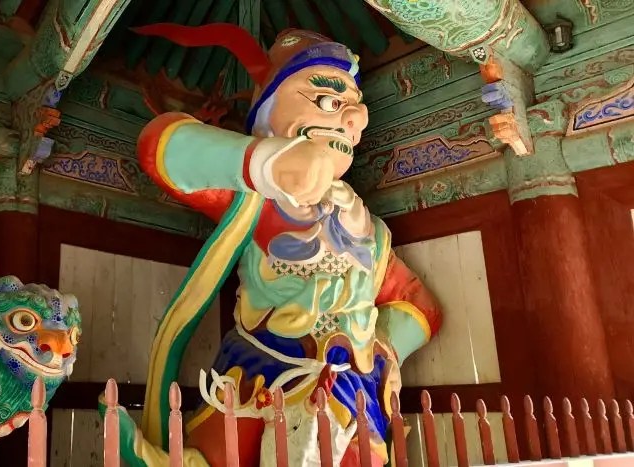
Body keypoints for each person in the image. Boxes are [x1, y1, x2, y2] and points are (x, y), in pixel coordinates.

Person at [121, 25, 443, 466]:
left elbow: (419, 305)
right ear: (269, 111)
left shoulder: (369, 228)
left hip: (354, 393)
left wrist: (374, 349)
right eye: (328, 101)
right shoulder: (257, 197)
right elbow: (158, 146)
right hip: (262, 379)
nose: (351, 120)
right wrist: (266, 163)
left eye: (355, 109)